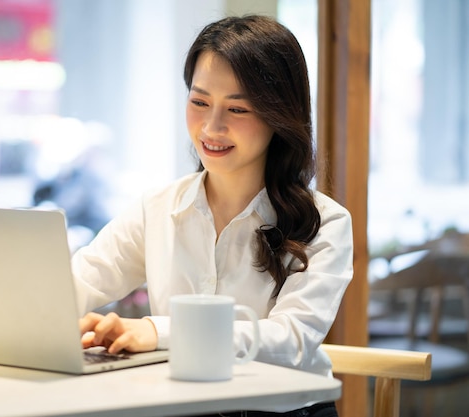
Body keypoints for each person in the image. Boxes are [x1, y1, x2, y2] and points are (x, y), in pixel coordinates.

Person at [73, 14, 353, 417]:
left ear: (279, 115)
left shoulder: (326, 223)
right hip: (180, 407)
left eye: (237, 109)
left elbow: (290, 339)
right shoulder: (158, 208)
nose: (211, 126)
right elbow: (78, 281)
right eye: (199, 101)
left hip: (282, 412)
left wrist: (157, 331)